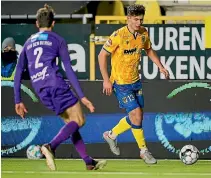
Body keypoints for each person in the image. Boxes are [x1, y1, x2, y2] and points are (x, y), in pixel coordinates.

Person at [14, 4, 106, 171]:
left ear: (37, 24)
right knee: (79, 120)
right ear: (53, 23)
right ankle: (50, 146)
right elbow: (68, 69)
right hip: (55, 84)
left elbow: (19, 70)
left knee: (71, 123)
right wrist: (82, 96)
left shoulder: (28, 43)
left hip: (40, 89)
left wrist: (18, 100)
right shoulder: (57, 40)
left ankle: (88, 161)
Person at [98, 4, 169, 164]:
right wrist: (106, 79)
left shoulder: (143, 33)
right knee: (136, 115)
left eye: (141, 19)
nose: (138, 23)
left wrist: (160, 66)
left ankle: (111, 134)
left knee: (137, 117)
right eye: (136, 19)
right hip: (120, 83)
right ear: (128, 18)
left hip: (135, 81)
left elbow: (149, 49)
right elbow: (102, 55)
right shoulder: (118, 35)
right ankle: (144, 151)